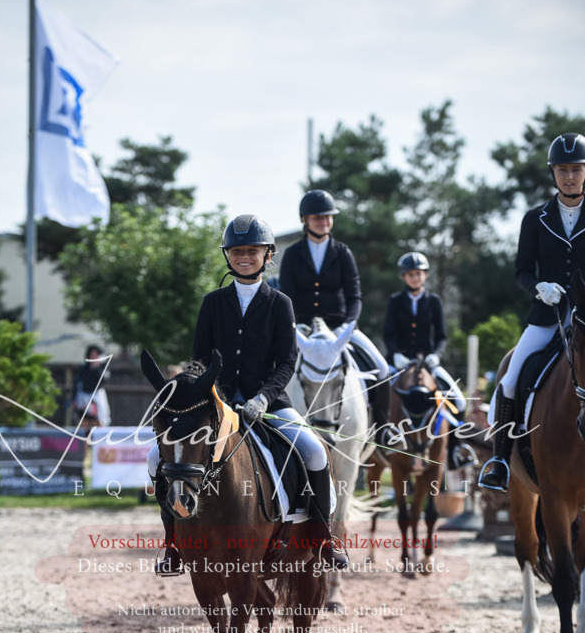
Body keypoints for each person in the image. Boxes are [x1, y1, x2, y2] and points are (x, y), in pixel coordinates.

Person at [153, 213, 350, 576]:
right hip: (217, 408)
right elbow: (199, 362)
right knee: (155, 457)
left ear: (268, 254)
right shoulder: (212, 303)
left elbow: (287, 362)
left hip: (270, 403)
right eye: (237, 250)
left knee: (314, 451)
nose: (245, 256)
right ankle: (172, 545)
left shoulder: (280, 303)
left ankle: (324, 538)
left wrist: (262, 398)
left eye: (253, 250)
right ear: (227, 255)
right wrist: (213, 398)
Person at [479, 132, 585, 491]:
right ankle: (500, 460)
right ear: (553, 173)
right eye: (562, 169)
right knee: (510, 379)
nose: (569, 176)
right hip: (545, 317)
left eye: (576, 169)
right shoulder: (535, 219)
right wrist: (538, 287)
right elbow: (521, 269)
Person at [279, 189, 404, 449]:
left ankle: (382, 428)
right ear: (305, 219)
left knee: (381, 367)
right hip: (301, 328)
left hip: (339, 328)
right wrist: (292, 327)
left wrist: (348, 325)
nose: (323, 220)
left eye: (327, 216)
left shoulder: (343, 252)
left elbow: (355, 296)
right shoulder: (292, 254)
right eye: (317, 217)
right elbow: (286, 295)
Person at [383, 252, 476, 469]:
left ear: (424, 275)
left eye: (418, 273)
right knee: (377, 395)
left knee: (459, 401)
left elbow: (441, 336)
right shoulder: (395, 301)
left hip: (428, 362)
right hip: (399, 361)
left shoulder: (434, 301)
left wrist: (436, 354)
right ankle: (379, 442)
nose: (414, 278)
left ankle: (454, 449)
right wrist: (395, 353)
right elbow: (388, 334)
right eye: (410, 274)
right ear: (403, 277)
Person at [70, 344, 111, 428]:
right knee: (83, 420)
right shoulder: (83, 369)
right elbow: (77, 383)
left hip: (96, 396)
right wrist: (73, 399)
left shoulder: (102, 368)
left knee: (100, 420)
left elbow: (103, 380)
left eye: (95, 354)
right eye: (92, 354)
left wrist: (96, 366)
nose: (93, 357)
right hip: (84, 396)